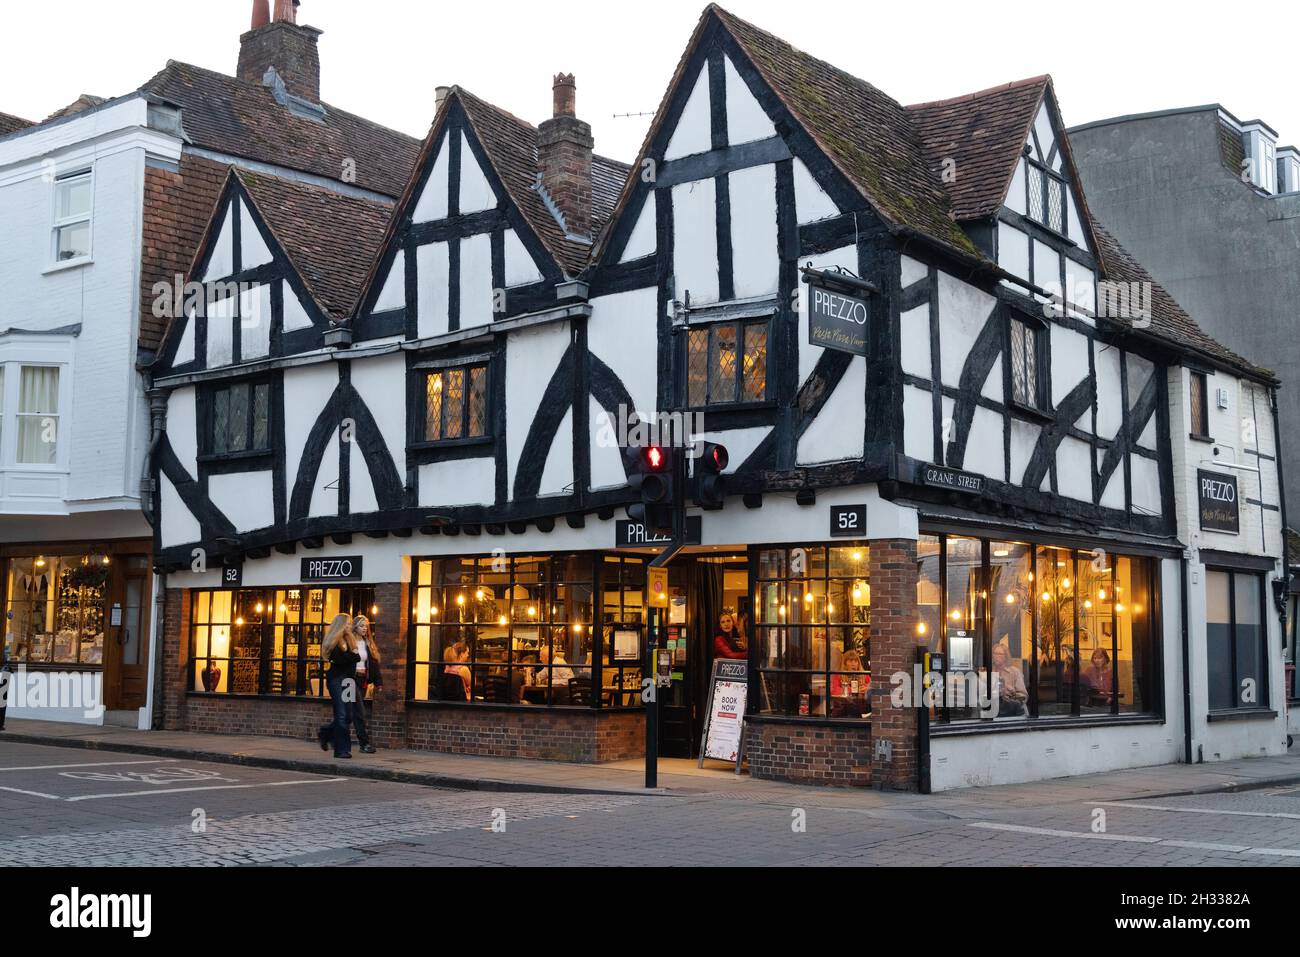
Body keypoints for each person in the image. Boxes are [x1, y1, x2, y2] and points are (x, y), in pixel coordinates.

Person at [316, 614, 359, 759]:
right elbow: (342, 660)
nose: (349, 626)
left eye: (350, 623)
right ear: (340, 625)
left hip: (349, 681)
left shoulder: (350, 639)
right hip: (336, 680)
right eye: (347, 624)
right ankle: (341, 750)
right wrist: (351, 656)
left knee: (348, 716)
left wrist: (351, 656)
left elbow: (356, 658)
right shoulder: (333, 642)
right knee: (341, 714)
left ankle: (326, 733)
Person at [350, 615, 383, 754]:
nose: (365, 628)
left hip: (362, 680)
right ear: (355, 627)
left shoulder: (367, 643)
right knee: (359, 711)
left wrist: (378, 682)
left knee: (349, 713)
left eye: (366, 626)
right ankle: (364, 744)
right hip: (349, 681)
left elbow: (374, 664)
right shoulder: (349, 642)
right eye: (362, 626)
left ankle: (328, 734)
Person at [830, 649, 870, 718]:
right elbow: (834, 691)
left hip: (859, 711)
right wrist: (853, 690)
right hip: (842, 712)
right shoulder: (838, 675)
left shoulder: (864, 675)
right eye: (850, 661)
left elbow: (873, 688)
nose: (853, 664)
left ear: (858, 663)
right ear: (845, 663)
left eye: (855, 661)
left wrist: (866, 689)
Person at [992, 641, 1028, 717]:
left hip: (1012, 712)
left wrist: (1012, 692)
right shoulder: (988, 671)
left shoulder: (1015, 672)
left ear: (1006, 656)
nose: (996, 656)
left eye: (1000, 654)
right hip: (992, 709)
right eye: (995, 653)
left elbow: (1024, 696)